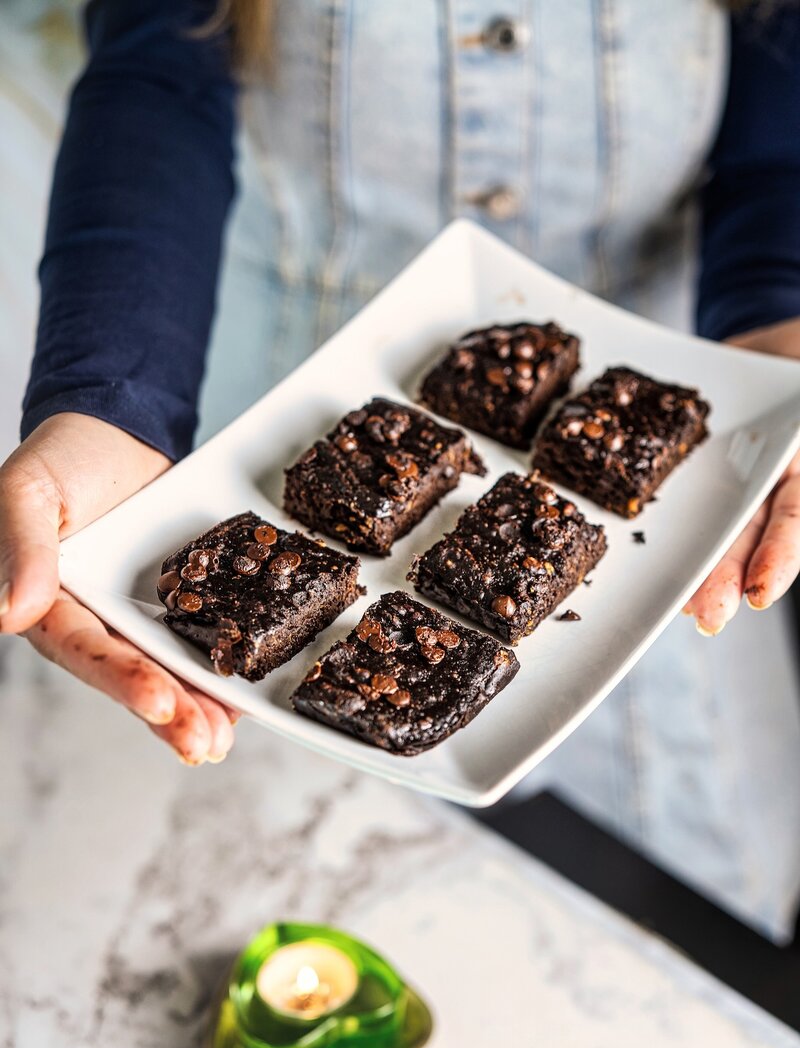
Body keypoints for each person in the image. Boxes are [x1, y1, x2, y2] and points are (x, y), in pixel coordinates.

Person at [0, 2, 798, 901]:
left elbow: (777, 151)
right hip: (272, 404)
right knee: (279, 875)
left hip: (689, 480)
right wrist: (110, 401)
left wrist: (782, 341)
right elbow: (155, 86)